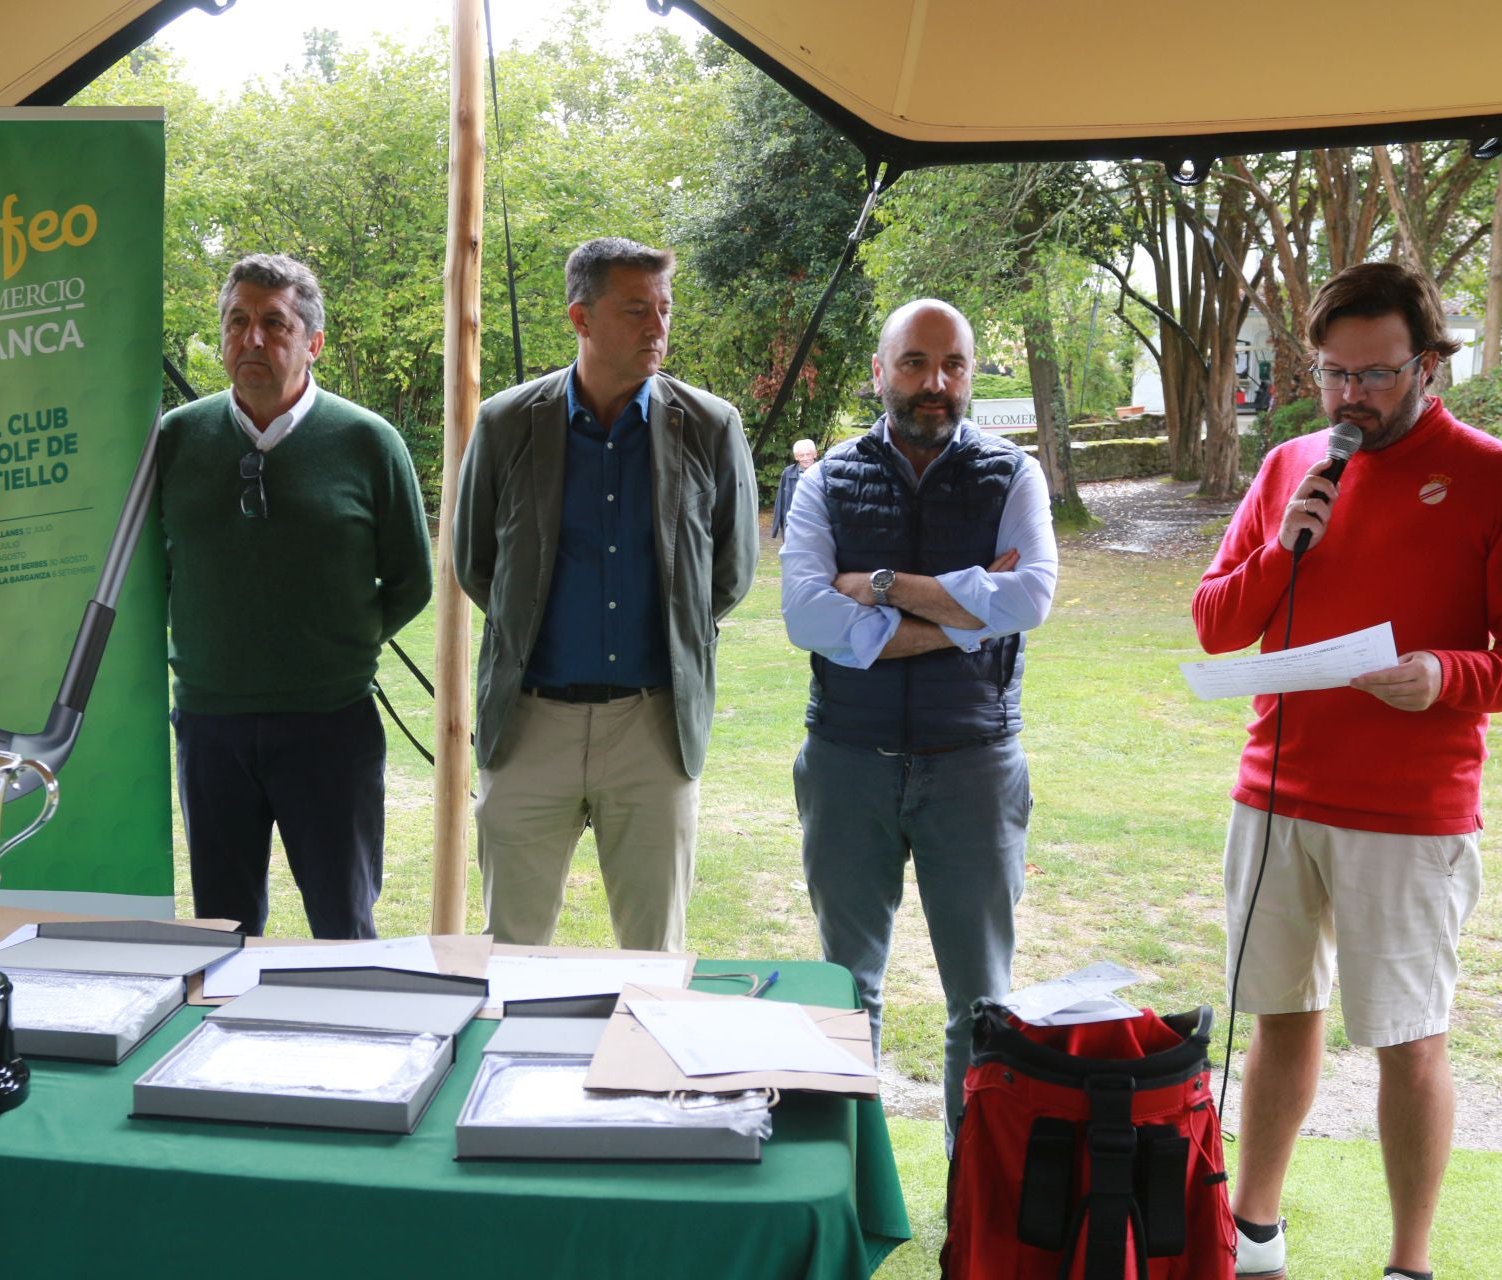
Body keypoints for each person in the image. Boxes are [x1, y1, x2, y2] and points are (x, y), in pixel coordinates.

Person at [1192, 261, 1502, 1280]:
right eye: (1332, 375)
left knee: (1407, 1038)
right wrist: (1283, 544)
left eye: (1376, 375)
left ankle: (1408, 1263)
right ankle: (1255, 1239)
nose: (1351, 397)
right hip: (1273, 797)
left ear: (1430, 365)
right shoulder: (1289, 471)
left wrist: (1446, 674)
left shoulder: (1499, 477)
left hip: (1409, 813)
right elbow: (1217, 620)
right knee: (1276, 1020)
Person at [780, 298, 1058, 1150]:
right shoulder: (827, 478)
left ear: (972, 373)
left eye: (953, 365)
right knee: (845, 991)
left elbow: (1032, 598)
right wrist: (970, 607)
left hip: (973, 762)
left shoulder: (1014, 475)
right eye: (914, 363)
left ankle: (975, 1211)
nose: (935, 384)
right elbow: (805, 616)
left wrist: (883, 584)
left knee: (982, 1007)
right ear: (880, 370)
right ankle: (847, 1187)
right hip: (847, 761)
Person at [452, 236, 758, 952]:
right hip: (529, 727)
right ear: (580, 319)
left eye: (664, 309)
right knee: (511, 952)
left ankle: (641, 1070)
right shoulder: (506, 423)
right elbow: (475, 562)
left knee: (655, 958)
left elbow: (731, 569)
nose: (657, 328)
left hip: (654, 729)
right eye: (635, 311)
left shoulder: (711, 426)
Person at [158, 253, 433, 938]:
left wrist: (337, 645)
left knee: (343, 927)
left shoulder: (368, 442)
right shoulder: (176, 439)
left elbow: (411, 578)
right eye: (237, 321)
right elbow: (150, 569)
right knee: (221, 931)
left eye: (274, 324)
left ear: (312, 343)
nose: (252, 339)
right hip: (210, 725)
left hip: (329, 725)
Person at [769, 438, 819, 538]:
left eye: (808, 454)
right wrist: (775, 529)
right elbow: (780, 500)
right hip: (792, 525)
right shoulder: (788, 473)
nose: (806, 458)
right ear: (796, 457)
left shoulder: (823, 472)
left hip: (816, 525)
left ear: (815, 454)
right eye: (801, 455)